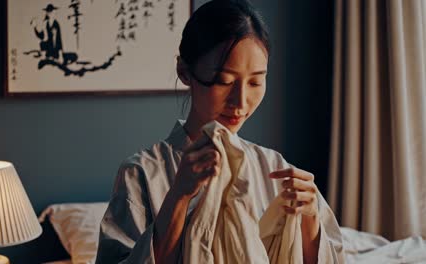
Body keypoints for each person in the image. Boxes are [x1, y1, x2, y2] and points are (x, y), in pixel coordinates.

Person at [95, 0, 345, 263]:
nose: (241, 101)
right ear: (184, 72)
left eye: (256, 82)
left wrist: (310, 222)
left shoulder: (274, 168)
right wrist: (179, 196)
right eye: (224, 81)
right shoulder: (142, 173)